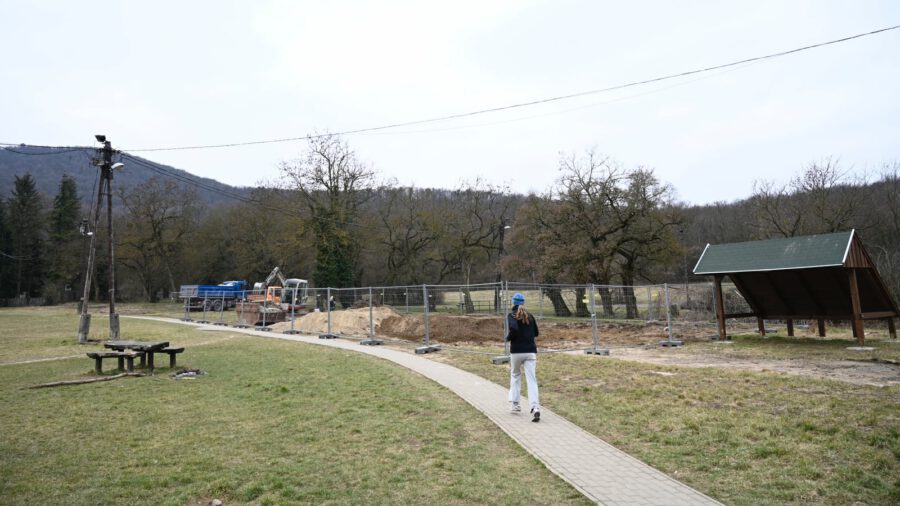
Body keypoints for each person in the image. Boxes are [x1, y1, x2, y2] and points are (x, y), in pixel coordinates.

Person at [506, 292, 541, 422]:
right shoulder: (530, 316)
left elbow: (514, 329)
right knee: (532, 380)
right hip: (530, 351)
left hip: (516, 351)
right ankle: (535, 407)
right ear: (523, 302)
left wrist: (508, 338)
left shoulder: (511, 315)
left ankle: (515, 404)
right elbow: (536, 333)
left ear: (513, 302)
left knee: (515, 375)